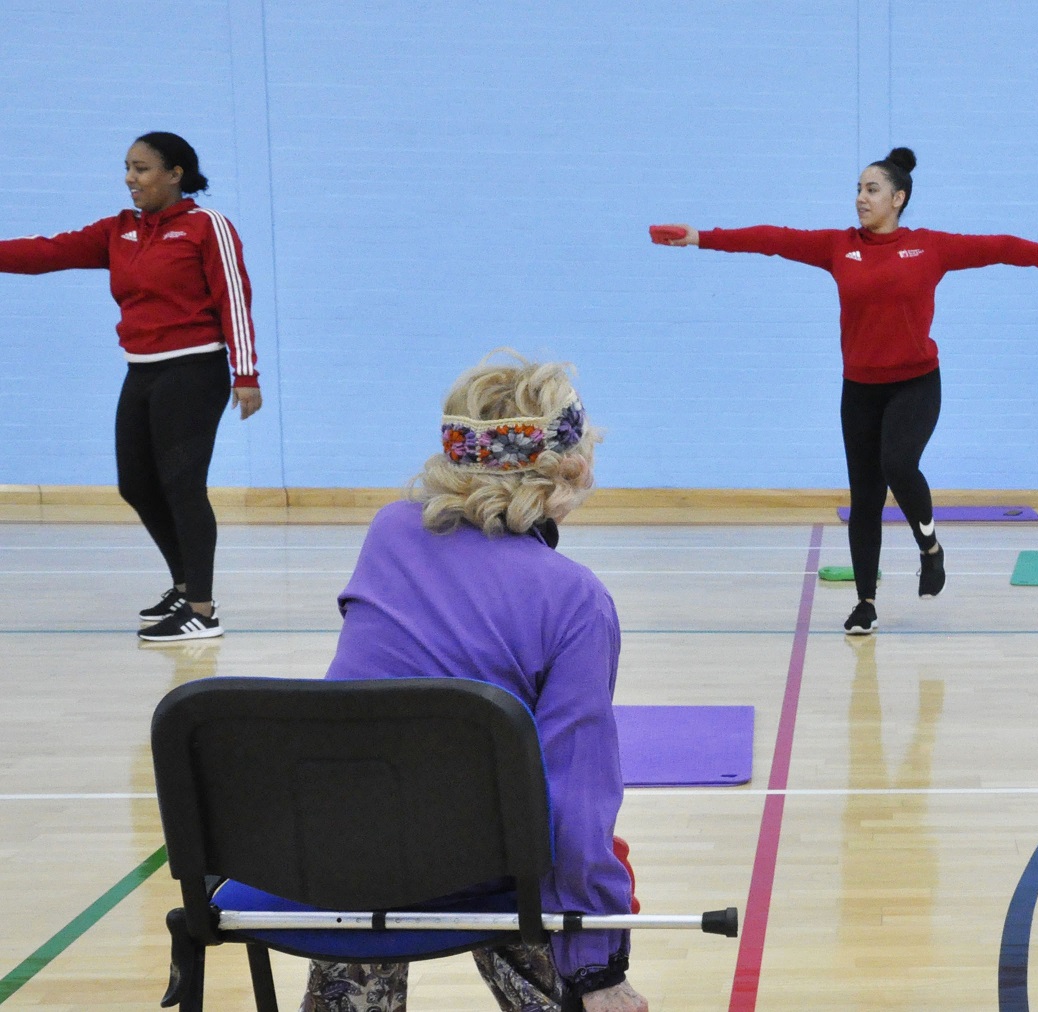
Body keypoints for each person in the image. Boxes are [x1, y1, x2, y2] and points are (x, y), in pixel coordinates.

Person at [655, 147, 1038, 634]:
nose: (860, 198)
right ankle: (865, 603)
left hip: (916, 383)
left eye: (871, 189)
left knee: (898, 463)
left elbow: (999, 247)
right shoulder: (838, 247)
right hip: (861, 390)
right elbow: (773, 239)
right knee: (865, 499)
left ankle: (930, 547)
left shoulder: (930, 247)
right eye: (857, 189)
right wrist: (701, 238)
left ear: (898, 197)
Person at [312, 354, 647, 1012]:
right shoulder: (577, 600)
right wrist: (596, 966)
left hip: (332, 853)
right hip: (472, 858)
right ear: (572, 467)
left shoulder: (389, 532)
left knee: (401, 819)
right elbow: (574, 809)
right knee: (521, 846)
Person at [0, 131, 260, 641]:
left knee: (183, 487)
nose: (129, 178)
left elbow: (235, 299)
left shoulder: (207, 227)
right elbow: (47, 252)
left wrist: (245, 375)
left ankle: (202, 612)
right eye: (127, 168)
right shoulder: (119, 231)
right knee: (136, 485)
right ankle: (185, 585)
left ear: (175, 173)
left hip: (194, 371)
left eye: (141, 168)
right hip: (141, 371)